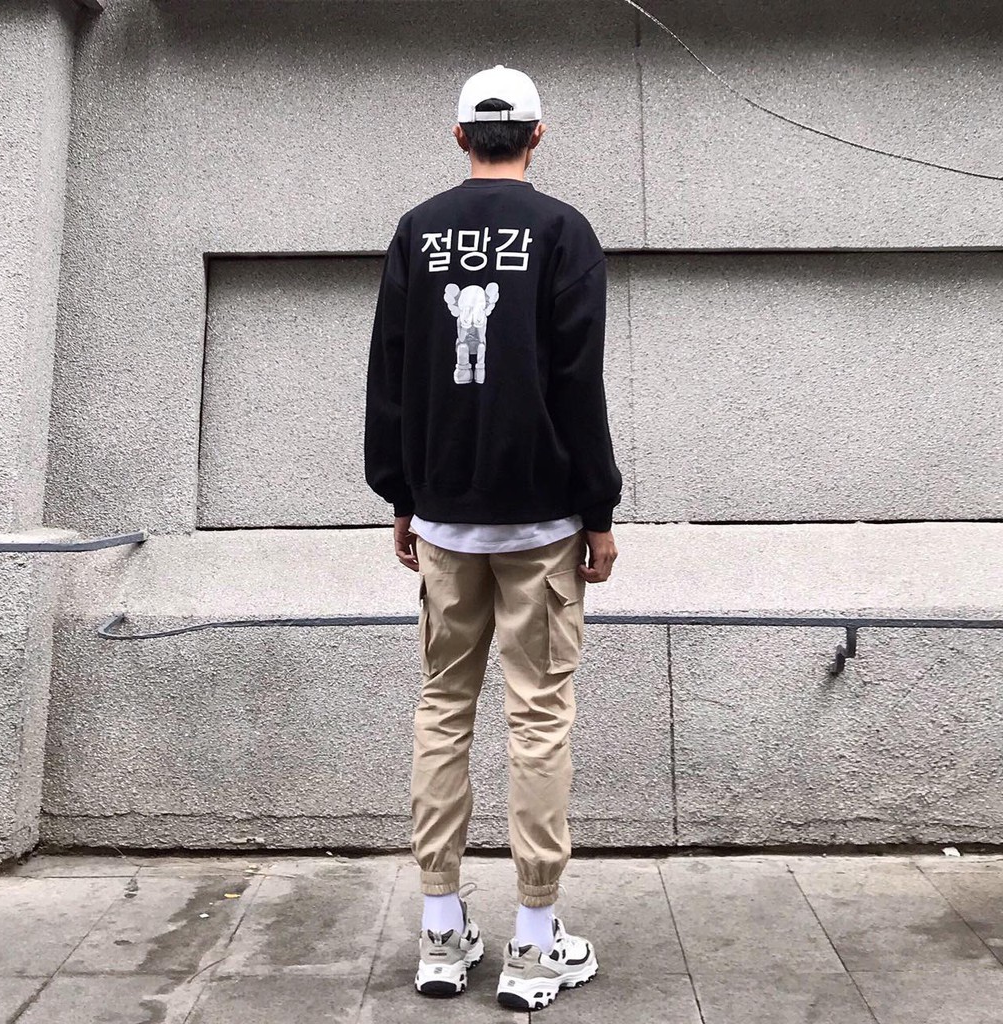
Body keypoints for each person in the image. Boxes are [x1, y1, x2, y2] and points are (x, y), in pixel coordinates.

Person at [364, 62, 622, 1012]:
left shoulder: (417, 231)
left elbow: (391, 372)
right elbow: (578, 380)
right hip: (542, 519)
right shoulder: (563, 232)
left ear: (461, 136)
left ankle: (440, 930)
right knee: (537, 719)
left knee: (443, 709)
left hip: (444, 517)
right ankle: (535, 943)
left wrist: (400, 494)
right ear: (538, 135)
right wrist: (599, 509)